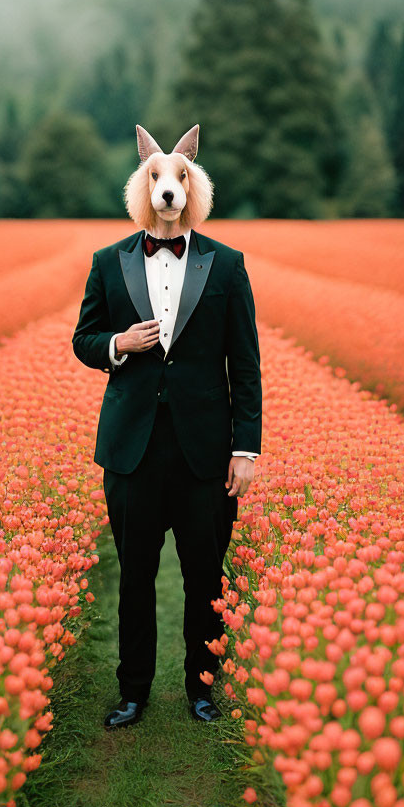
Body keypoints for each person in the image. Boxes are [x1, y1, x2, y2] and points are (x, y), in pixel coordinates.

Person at [72, 124, 261, 730]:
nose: (168, 190)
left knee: (206, 576)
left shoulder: (227, 266)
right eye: (157, 178)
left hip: (205, 451)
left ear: (191, 187)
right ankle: (133, 691)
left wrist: (245, 450)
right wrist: (117, 344)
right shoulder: (108, 262)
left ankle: (202, 690)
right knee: (134, 575)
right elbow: (83, 340)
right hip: (132, 449)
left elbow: (246, 364)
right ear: (144, 186)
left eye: (178, 179)